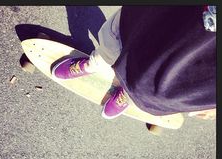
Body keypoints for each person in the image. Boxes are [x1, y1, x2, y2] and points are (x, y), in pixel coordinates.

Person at [52, 6, 216, 121]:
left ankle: (128, 93)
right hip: (158, 17)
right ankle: (91, 65)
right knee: (113, 43)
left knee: (157, 85)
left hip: (195, 77)